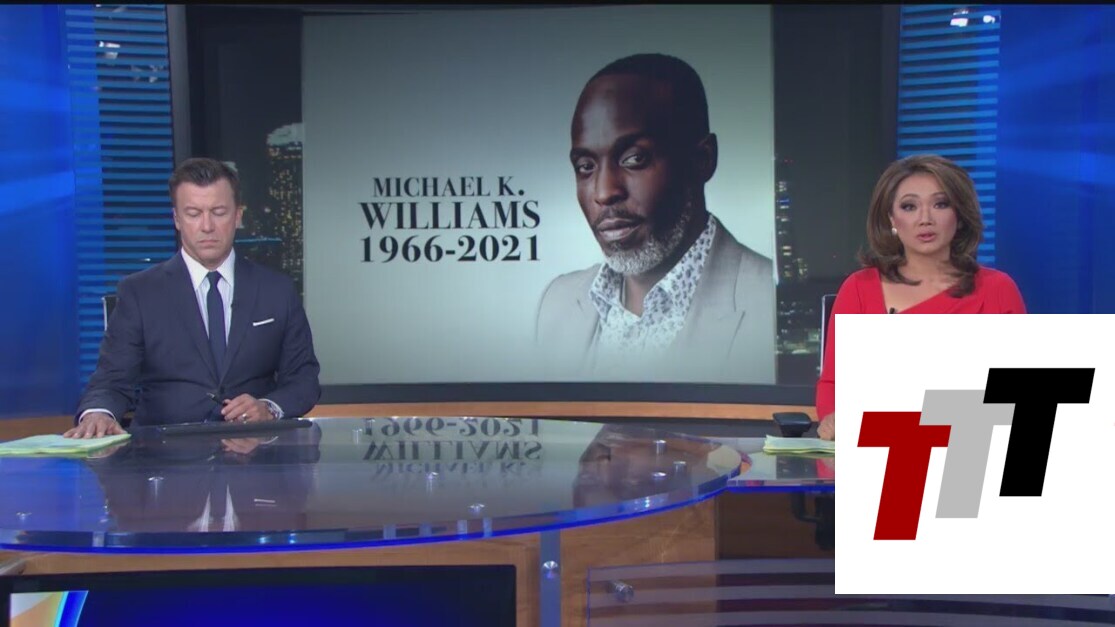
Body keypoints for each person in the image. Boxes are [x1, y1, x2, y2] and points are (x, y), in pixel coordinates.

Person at [535, 53, 775, 382]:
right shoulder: (557, 303)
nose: (604, 192)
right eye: (585, 167)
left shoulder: (769, 302)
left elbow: (850, 413)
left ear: (702, 160)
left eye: (634, 159)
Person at [66, 158, 321, 438]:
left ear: (238, 216)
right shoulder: (139, 292)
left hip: (254, 452)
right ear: (177, 219)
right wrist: (99, 414)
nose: (207, 226)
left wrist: (269, 408)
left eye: (218, 212)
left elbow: (304, 379)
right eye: (193, 213)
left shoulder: (277, 290)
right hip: (163, 455)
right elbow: (111, 380)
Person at [816, 154, 1026, 440]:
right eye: (909, 206)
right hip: (880, 447)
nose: (925, 219)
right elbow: (834, 384)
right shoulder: (859, 288)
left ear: (959, 216)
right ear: (892, 219)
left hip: (970, 446)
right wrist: (834, 420)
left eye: (940, 204)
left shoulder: (997, 290)